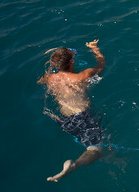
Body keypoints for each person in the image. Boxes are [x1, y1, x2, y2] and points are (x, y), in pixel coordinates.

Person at [38, 40, 106, 182]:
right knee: (96, 150)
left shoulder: (50, 79)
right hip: (82, 116)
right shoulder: (83, 76)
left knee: (90, 143)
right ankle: (75, 164)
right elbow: (101, 64)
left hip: (64, 120)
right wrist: (95, 48)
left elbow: (40, 81)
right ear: (72, 61)